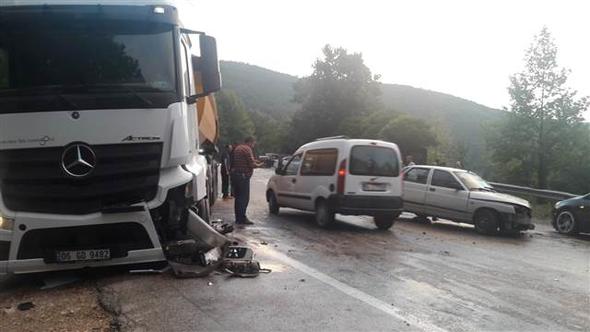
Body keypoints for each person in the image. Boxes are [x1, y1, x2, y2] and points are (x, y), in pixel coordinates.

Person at [230, 137, 263, 225]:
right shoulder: (247, 149)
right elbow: (251, 164)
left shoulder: (238, 148)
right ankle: (242, 218)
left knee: (238, 198)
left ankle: (238, 218)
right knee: (244, 198)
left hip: (236, 176)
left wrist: (254, 161)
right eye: (254, 143)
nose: (253, 145)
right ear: (250, 142)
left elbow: (243, 160)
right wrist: (260, 165)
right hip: (243, 177)